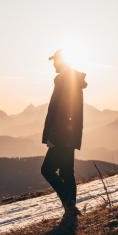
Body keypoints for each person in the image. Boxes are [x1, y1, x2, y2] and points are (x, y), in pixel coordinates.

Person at [41, 49, 87, 217]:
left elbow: (61, 111)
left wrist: (52, 136)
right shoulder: (70, 80)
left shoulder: (65, 81)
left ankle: (69, 204)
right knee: (67, 172)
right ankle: (70, 209)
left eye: (55, 61)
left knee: (47, 170)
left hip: (62, 136)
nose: (53, 64)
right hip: (69, 135)